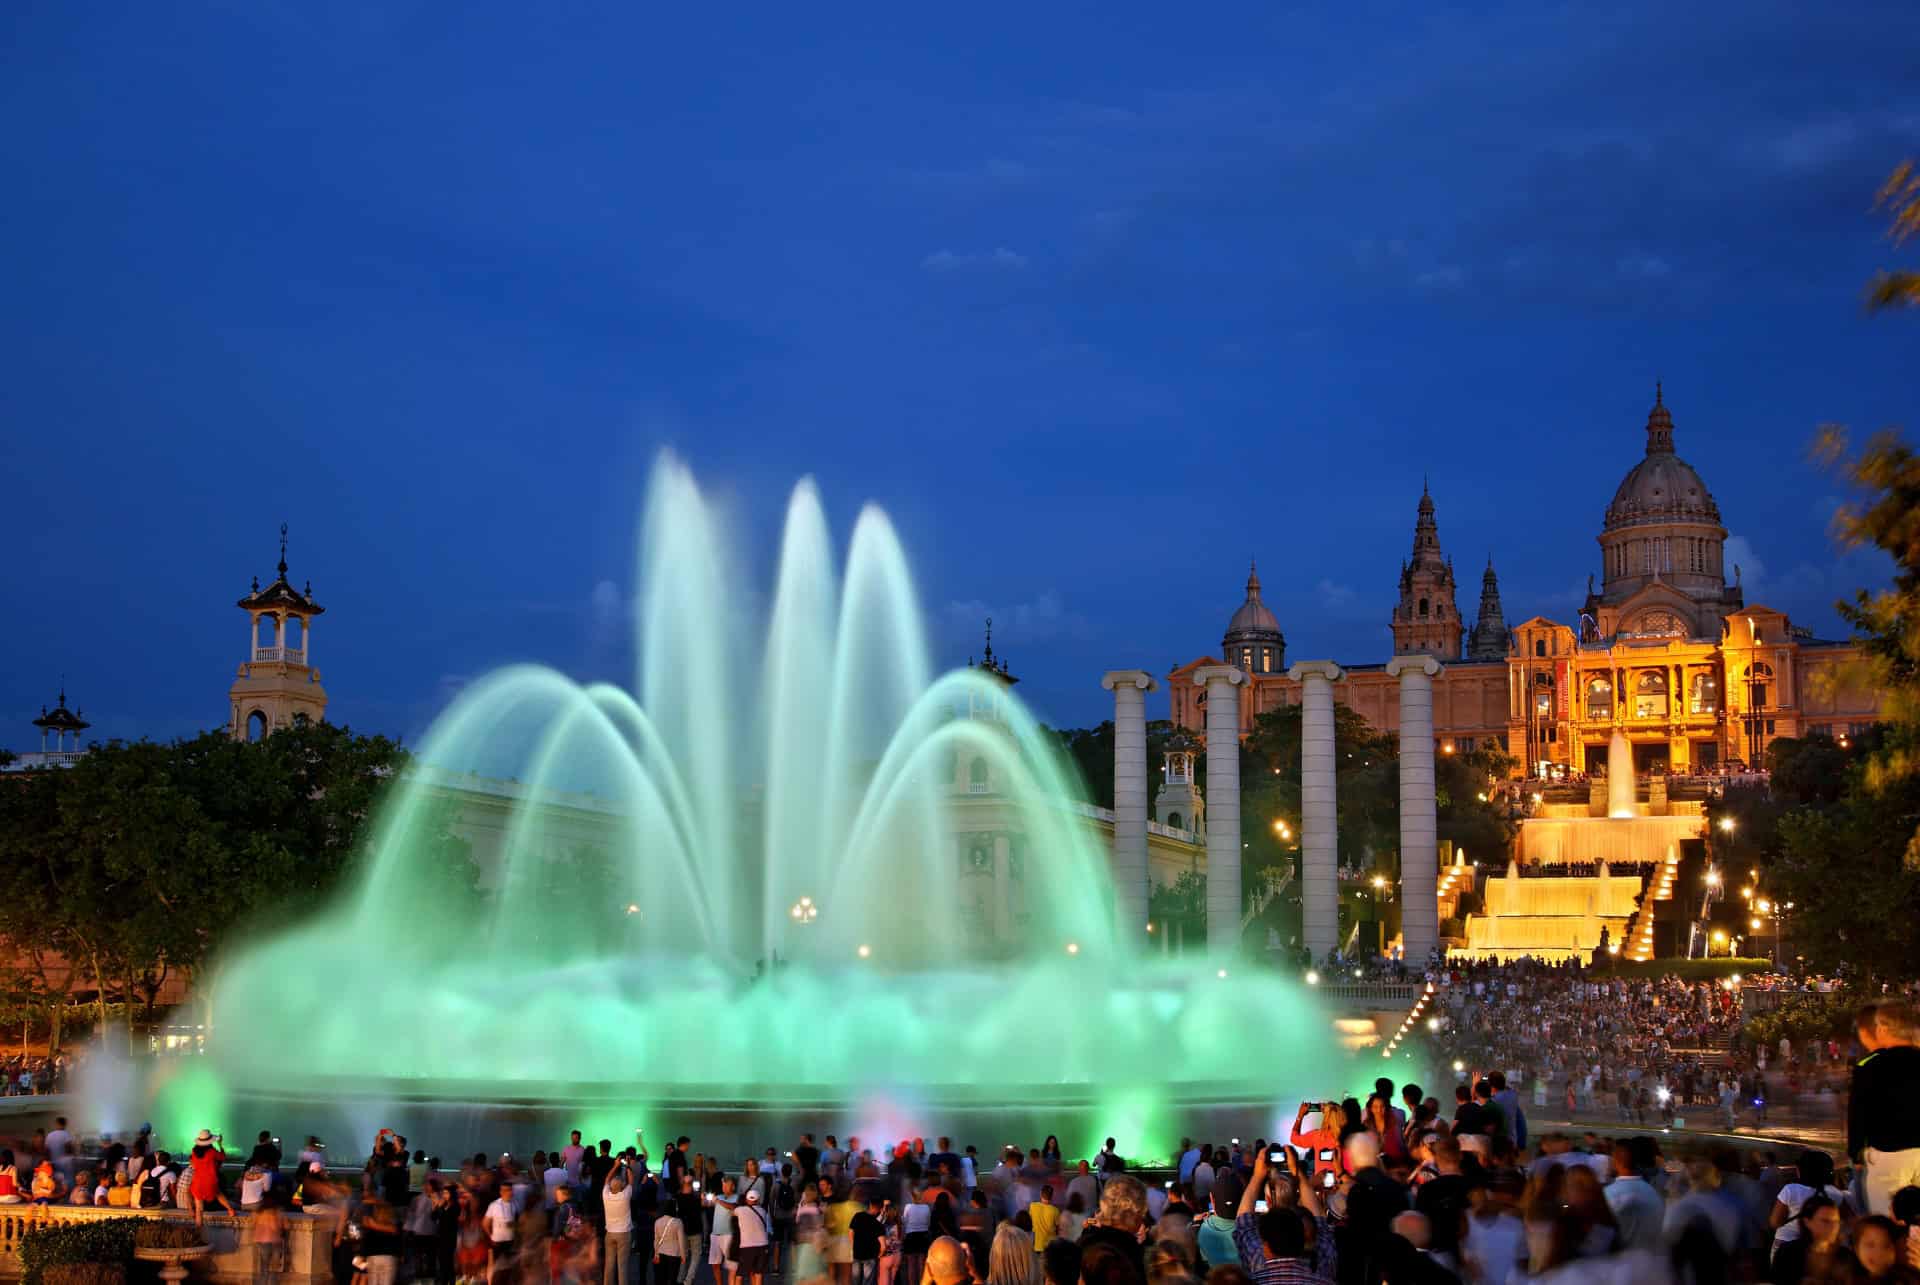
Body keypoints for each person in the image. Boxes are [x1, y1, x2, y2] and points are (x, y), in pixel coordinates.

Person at [1851, 1001, 1920, 1216]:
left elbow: (1858, 1114)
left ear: (1884, 1028)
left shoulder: (1871, 1066)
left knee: (1887, 1219)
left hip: (1889, 1155)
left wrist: (1855, 1153)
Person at [1077, 1174, 1148, 1281]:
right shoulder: (1128, 1253)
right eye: (1143, 1211)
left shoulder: (1085, 1242)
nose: (1143, 1217)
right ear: (1135, 1212)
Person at [1602, 1136, 1664, 1253]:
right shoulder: (1654, 1193)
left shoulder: (1608, 1194)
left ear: (1615, 1161)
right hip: (1650, 1257)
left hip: (1621, 1259)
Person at [1766, 1193, 1844, 1284]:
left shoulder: (1844, 1257)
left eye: (1836, 1222)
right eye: (1825, 1221)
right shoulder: (1788, 1253)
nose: (1833, 1227)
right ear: (1807, 1221)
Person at [189, 1129, 236, 1227]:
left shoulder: (194, 1152)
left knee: (199, 1209)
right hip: (210, 1180)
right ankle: (230, 1210)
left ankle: (198, 1231)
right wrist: (220, 1144)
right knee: (218, 1193)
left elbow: (193, 1164)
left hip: (197, 1182)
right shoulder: (211, 1152)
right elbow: (222, 1157)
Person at [605, 1158, 636, 1285]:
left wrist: (615, 1166)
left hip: (610, 1233)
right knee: (622, 1265)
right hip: (624, 1233)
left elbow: (607, 1179)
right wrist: (627, 1166)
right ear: (622, 1186)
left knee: (609, 1264)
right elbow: (631, 1181)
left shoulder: (606, 1196)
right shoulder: (625, 1196)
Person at [849, 1196, 885, 1285]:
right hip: (870, 1257)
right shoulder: (878, 1224)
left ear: (870, 1205)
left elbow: (851, 1232)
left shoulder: (858, 1216)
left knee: (855, 1281)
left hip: (857, 1254)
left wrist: (854, 1246)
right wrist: (878, 1255)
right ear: (880, 1209)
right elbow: (883, 1246)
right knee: (867, 1282)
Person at [652, 1196, 686, 1285]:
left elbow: (656, 1240)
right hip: (674, 1254)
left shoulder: (657, 1221)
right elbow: (681, 1241)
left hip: (661, 1253)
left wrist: (656, 1254)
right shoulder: (678, 1222)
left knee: (662, 1278)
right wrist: (683, 1255)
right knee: (672, 1279)